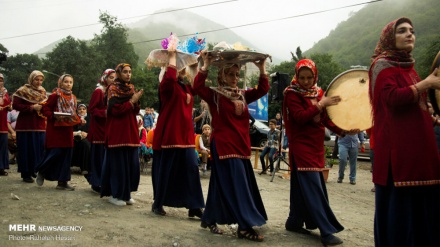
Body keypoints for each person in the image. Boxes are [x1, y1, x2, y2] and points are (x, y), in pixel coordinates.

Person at [369, 17, 440, 246]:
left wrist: (430, 116)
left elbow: (412, 106)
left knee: (420, 214)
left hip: (418, 152)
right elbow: (391, 98)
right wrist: (426, 85)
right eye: (402, 31)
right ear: (390, 37)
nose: (410, 34)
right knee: (400, 213)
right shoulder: (381, 64)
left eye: (412, 30)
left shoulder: (410, 68)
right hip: (396, 154)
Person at [194, 50, 269, 241]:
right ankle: (244, 227)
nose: (234, 78)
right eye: (230, 74)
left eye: (237, 74)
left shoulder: (243, 95)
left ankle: (209, 218)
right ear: (222, 75)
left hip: (241, 147)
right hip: (225, 146)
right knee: (238, 186)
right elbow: (197, 86)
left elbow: (262, 90)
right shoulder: (214, 95)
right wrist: (205, 65)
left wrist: (261, 68)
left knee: (221, 183)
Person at [283, 59, 355, 246]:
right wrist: (321, 104)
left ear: (315, 75)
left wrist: (344, 130)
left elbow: (325, 121)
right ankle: (326, 230)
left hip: (315, 146)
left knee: (304, 185)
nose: (306, 81)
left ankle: (294, 221)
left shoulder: (319, 93)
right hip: (301, 145)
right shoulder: (291, 93)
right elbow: (299, 117)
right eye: (302, 77)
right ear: (297, 76)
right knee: (314, 186)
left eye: (309, 77)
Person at [151, 50, 205, 218]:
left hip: (186, 136)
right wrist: (172, 55)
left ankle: (194, 206)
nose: (182, 69)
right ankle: (157, 203)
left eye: (184, 67)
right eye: (179, 66)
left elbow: (198, 86)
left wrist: (196, 65)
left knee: (191, 169)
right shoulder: (166, 86)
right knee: (165, 171)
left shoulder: (186, 87)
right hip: (170, 136)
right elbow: (170, 75)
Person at [100, 63, 142, 206]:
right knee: (118, 165)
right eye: (125, 72)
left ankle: (126, 194)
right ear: (118, 73)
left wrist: (135, 102)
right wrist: (132, 101)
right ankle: (115, 194)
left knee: (130, 165)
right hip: (117, 132)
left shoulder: (131, 88)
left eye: (130, 71)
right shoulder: (112, 89)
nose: (128, 74)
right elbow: (115, 111)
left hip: (130, 131)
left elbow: (135, 111)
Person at [36, 74, 82, 190]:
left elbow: (73, 113)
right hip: (55, 129)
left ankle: (62, 182)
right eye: (66, 82)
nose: (68, 84)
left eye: (71, 82)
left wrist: (80, 120)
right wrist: (53, 115)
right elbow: (45, 109)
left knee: (66, 155)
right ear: (60, 83)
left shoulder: (73, 97)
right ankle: (42, 170)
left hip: (67, 129)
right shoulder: (54, 95)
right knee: (54, 153)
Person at [12, 70, 48, 183]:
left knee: (38, 149)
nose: (39, 82)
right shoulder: (22, 91)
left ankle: (34, 169)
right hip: (25, 125)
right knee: (25, 149)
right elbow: (16, 105)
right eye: (36, 79)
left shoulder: (43, 91)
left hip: (39, 125)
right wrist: (32, 108)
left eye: (41, 80)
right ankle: (25, 173)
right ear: (31, 79)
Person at [87, 68, 115, 193]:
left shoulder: (113, 92)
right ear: (105, 78)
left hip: (108, 128)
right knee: (98, 157)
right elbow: (91, 109)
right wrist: (104, 113)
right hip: (98, 129)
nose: (113, 80)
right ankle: (96, 182)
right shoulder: (99, 91)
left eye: (115, 78)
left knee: (106, 158)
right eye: (111, 77)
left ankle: (104, 182)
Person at [71, 103, 91, 175]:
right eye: (79, 109)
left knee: (85, 144)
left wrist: (87, 134)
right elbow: (71, 129)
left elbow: (93, 130)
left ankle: (85, 167)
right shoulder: (74, 118)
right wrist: (78, 133)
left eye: (83, 109)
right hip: (74, 137)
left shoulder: (90, 118)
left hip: (87, 138)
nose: (82, 111)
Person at [0, 73, 12, 176]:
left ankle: (1, 167)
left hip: (2, 123)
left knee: (3, 145)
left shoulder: (5, 92)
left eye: (1, 80)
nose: (0, 82)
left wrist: (9, 107)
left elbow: (8, 104)